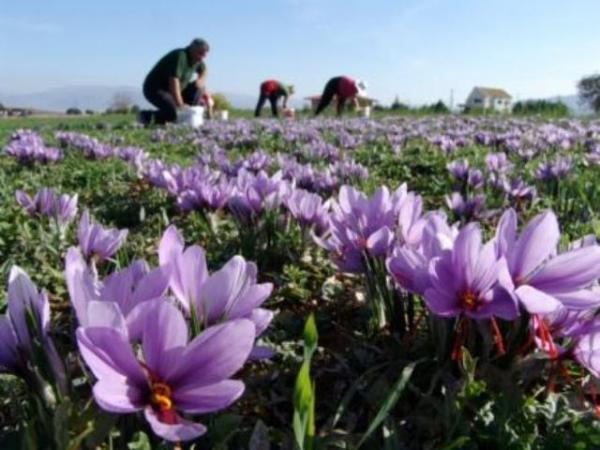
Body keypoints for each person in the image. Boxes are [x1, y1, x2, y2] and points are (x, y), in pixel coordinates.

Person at [141, 38, 210, 125]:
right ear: (191, 48)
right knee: (173, 113)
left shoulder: (197, 60)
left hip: (175, 91)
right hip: (156, 89)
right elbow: (174, 81)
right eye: (199, 54)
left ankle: (188, 118)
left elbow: (204, 70)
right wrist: (180, 105)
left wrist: (200, 81)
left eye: (204, 56)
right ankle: (145, 116)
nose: (201, 59)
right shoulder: (181, 56)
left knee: (199, 88)